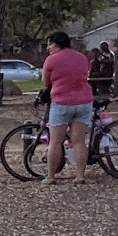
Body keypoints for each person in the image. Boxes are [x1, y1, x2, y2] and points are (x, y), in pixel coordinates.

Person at [40, 31, 95, 184]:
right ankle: (80, 176)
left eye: (49, 44)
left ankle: (51, 176)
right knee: (78, 141)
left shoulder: (51, 60)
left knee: (55, 142)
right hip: (84, 101)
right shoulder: (81, 57)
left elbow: (46, 82)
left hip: (62, 102)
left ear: (56, 44)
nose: (48, 48)